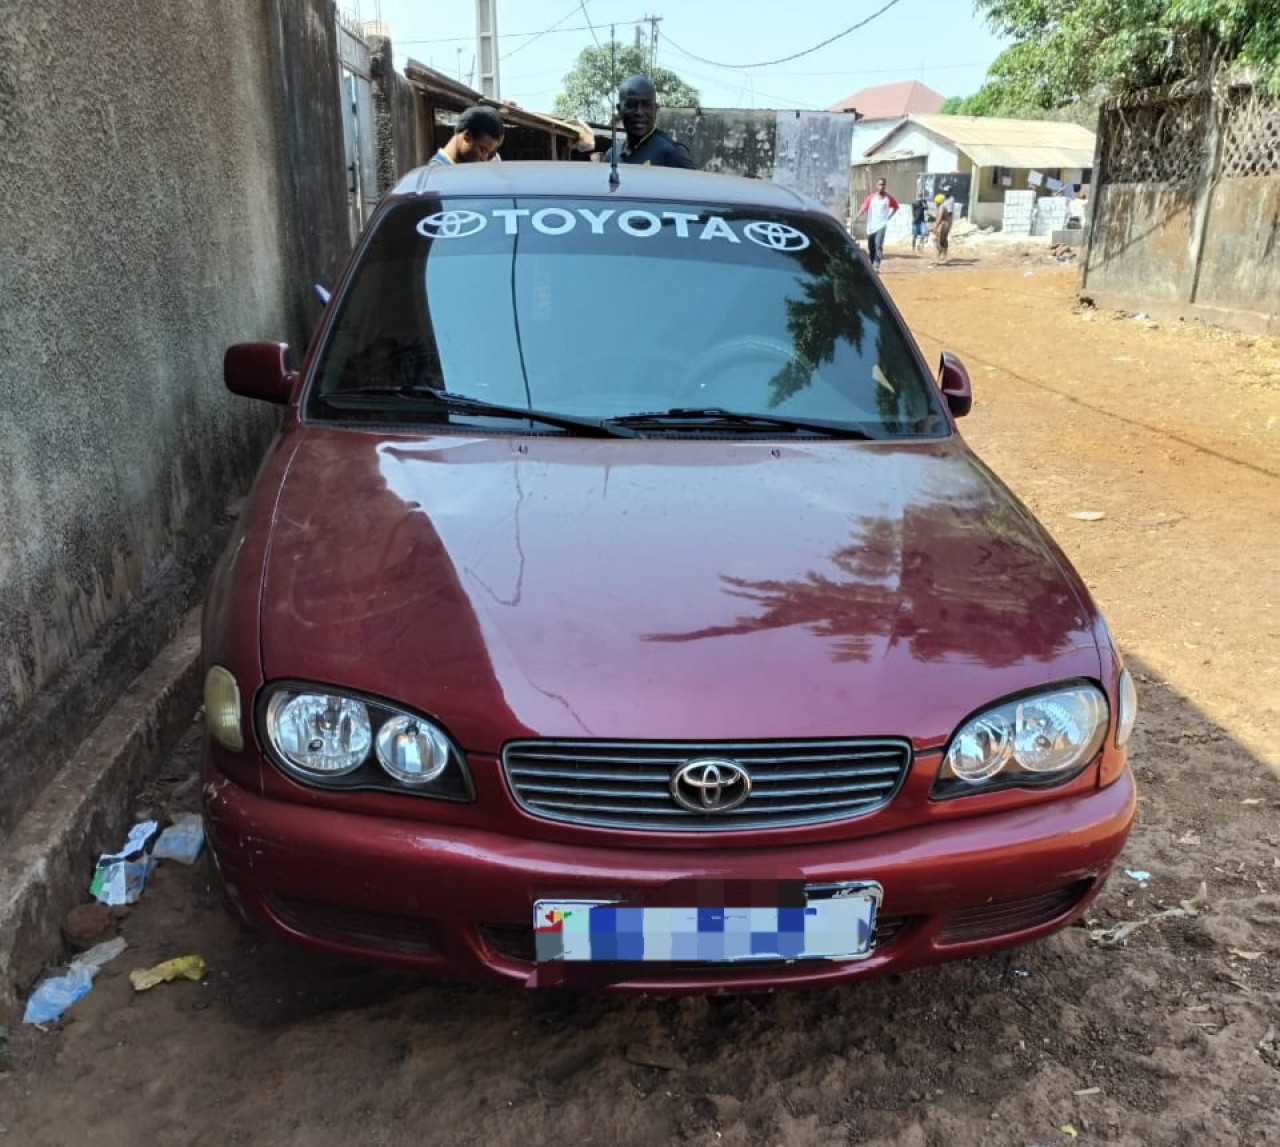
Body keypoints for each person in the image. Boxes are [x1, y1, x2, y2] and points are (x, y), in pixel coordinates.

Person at [603, 75, 695, 168]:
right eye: (631, 105)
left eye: (646, 105)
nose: (639, 112)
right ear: (619, 109)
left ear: (655, 109)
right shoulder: (612, 155)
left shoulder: (672, 154)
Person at [429, 106, 505, 166]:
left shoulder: (463, 170)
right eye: (482, 150)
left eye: (489, 153)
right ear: (467, 135)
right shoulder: (438, 174)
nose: (484, 158)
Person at [855, 178, 899, 271]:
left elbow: (896, 207)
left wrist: (889, 217)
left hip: (882, 225)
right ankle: (872, 263)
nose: (881, 186)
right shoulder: (871, 198)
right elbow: (863, 207)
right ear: (876, 186)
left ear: (885, 186)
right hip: (871, 226)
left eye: (883, 184)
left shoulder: (888, 198)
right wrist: (857, 216)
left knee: (878, 244)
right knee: (871, 246)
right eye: (879, 184)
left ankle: (876, 265)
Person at [933, 191, 956, 264]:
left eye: (935, 201)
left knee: (937, 241)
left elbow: (940, 218)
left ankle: (942, 256)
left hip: (943, 225)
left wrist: (935, 227)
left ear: (937, 201)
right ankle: (941, 257)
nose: (935, 203)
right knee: (942, 241)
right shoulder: (942, 207)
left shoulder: (941, 207)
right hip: (945, 224)